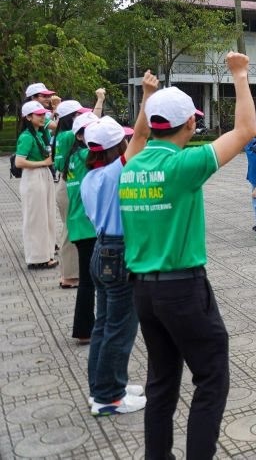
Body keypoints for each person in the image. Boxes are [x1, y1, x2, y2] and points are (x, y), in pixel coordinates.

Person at [118, 52, 256, 458]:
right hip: (182, 289)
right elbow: (246, 129)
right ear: (191, 123)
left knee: (161, 382)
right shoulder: (184, 165)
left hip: (143, 292)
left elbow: (140, 139)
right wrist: (240, 74)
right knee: (211, 377)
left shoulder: (130, 166)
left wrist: (148, 98)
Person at [81, 70, 158, 417]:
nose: (130, 143)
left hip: (101, 250)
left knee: (103, 324)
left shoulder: (89, 176)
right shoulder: (116, 171)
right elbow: (142, 133)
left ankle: (104, 386)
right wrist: (146, 95)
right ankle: (109, 397)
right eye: (124, 142)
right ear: (117, 147)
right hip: (118, 252)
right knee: (120, 327)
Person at [52, 92, 104, 288]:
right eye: (78, 115)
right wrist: (99, 101)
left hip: (67, 183)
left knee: (70, 227)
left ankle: (71, 272)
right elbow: (95, 124)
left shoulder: (62, 134)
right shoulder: (68, 136)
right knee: (70, 229)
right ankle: (70, 275)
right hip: (71, 184)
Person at [64, 111, 101, 344]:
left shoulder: (74, 157)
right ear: (79, 136)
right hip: (86, 226)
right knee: (89, 281)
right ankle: (85, 329)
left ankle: (86, 326)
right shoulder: (88, 155)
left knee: (89, 279)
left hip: (78, 224)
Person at [14, 100, 59, 269]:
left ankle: (46, 253)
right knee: (35, 218)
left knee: (46, 215)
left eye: (43, 114)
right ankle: (36, 257)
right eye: (38, 114)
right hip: (33, 177)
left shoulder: (40, 134)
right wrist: (43, 162)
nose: (42, 117)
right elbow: (19, 162)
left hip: (43, 174)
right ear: (28, 117)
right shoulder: (26, 137)